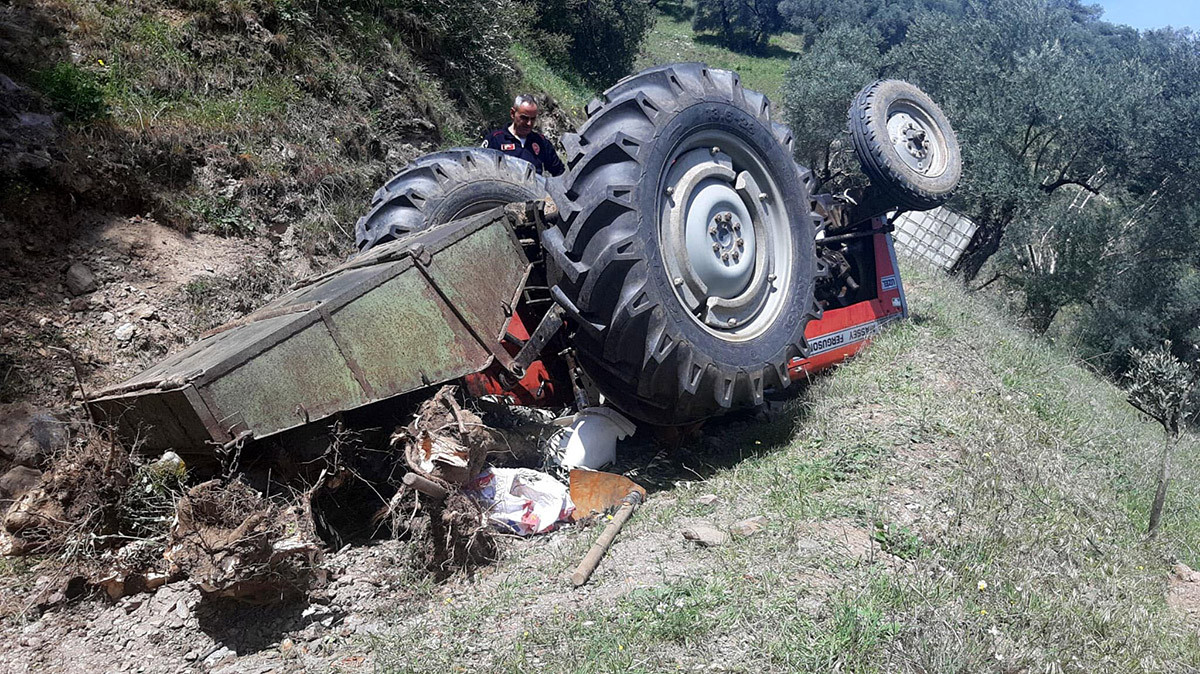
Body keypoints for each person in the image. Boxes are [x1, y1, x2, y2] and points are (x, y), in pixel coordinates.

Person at [483, 95, 565, 177]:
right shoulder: (496, 139)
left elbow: (560, 173)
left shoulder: (541, 142)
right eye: (524, 118)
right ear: (512, 113)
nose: (529, 123)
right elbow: (481, 167)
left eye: (532, 119)